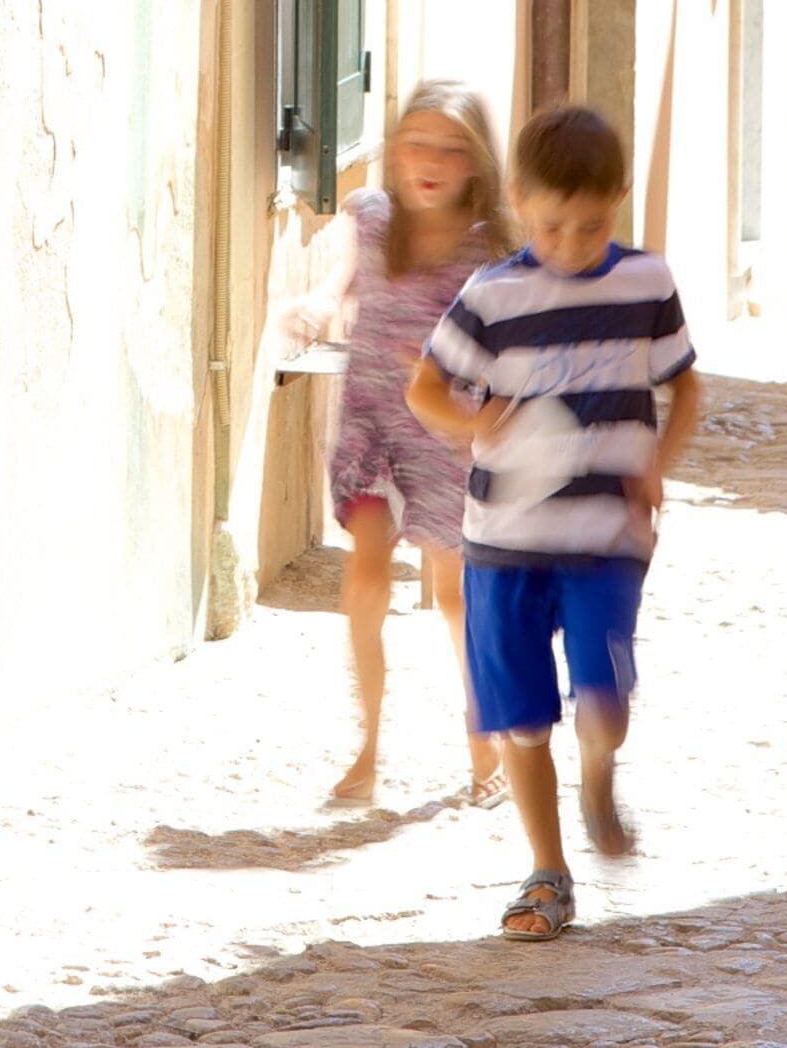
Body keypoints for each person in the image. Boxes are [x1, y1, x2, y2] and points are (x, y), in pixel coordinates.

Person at [407, 103, 700, 943]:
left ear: (619, 202)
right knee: (520, 717)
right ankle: (547, 872)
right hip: (502, 545)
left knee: (605, 693)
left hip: (609, 535)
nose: (572, 245)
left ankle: (600, 773)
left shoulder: (646, 283)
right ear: (520, 201)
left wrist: (657, 459)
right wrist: (474, 426)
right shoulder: (491, 295)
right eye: (551, 226)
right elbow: (425, 388)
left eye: (592, 225)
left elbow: (687, 385)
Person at [277, 82, 513, 808]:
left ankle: (486, 749)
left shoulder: (491, 252)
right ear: (393, 151)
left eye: (450, 149)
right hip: (371, 421)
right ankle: (368, 748)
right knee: (366, 578)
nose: (430, 162)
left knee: (453, 597)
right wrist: (321, 303)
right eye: (415, 144)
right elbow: (347, 284)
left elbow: (507, 345)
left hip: (445, 433)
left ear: (476, 163)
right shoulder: (374, 221)